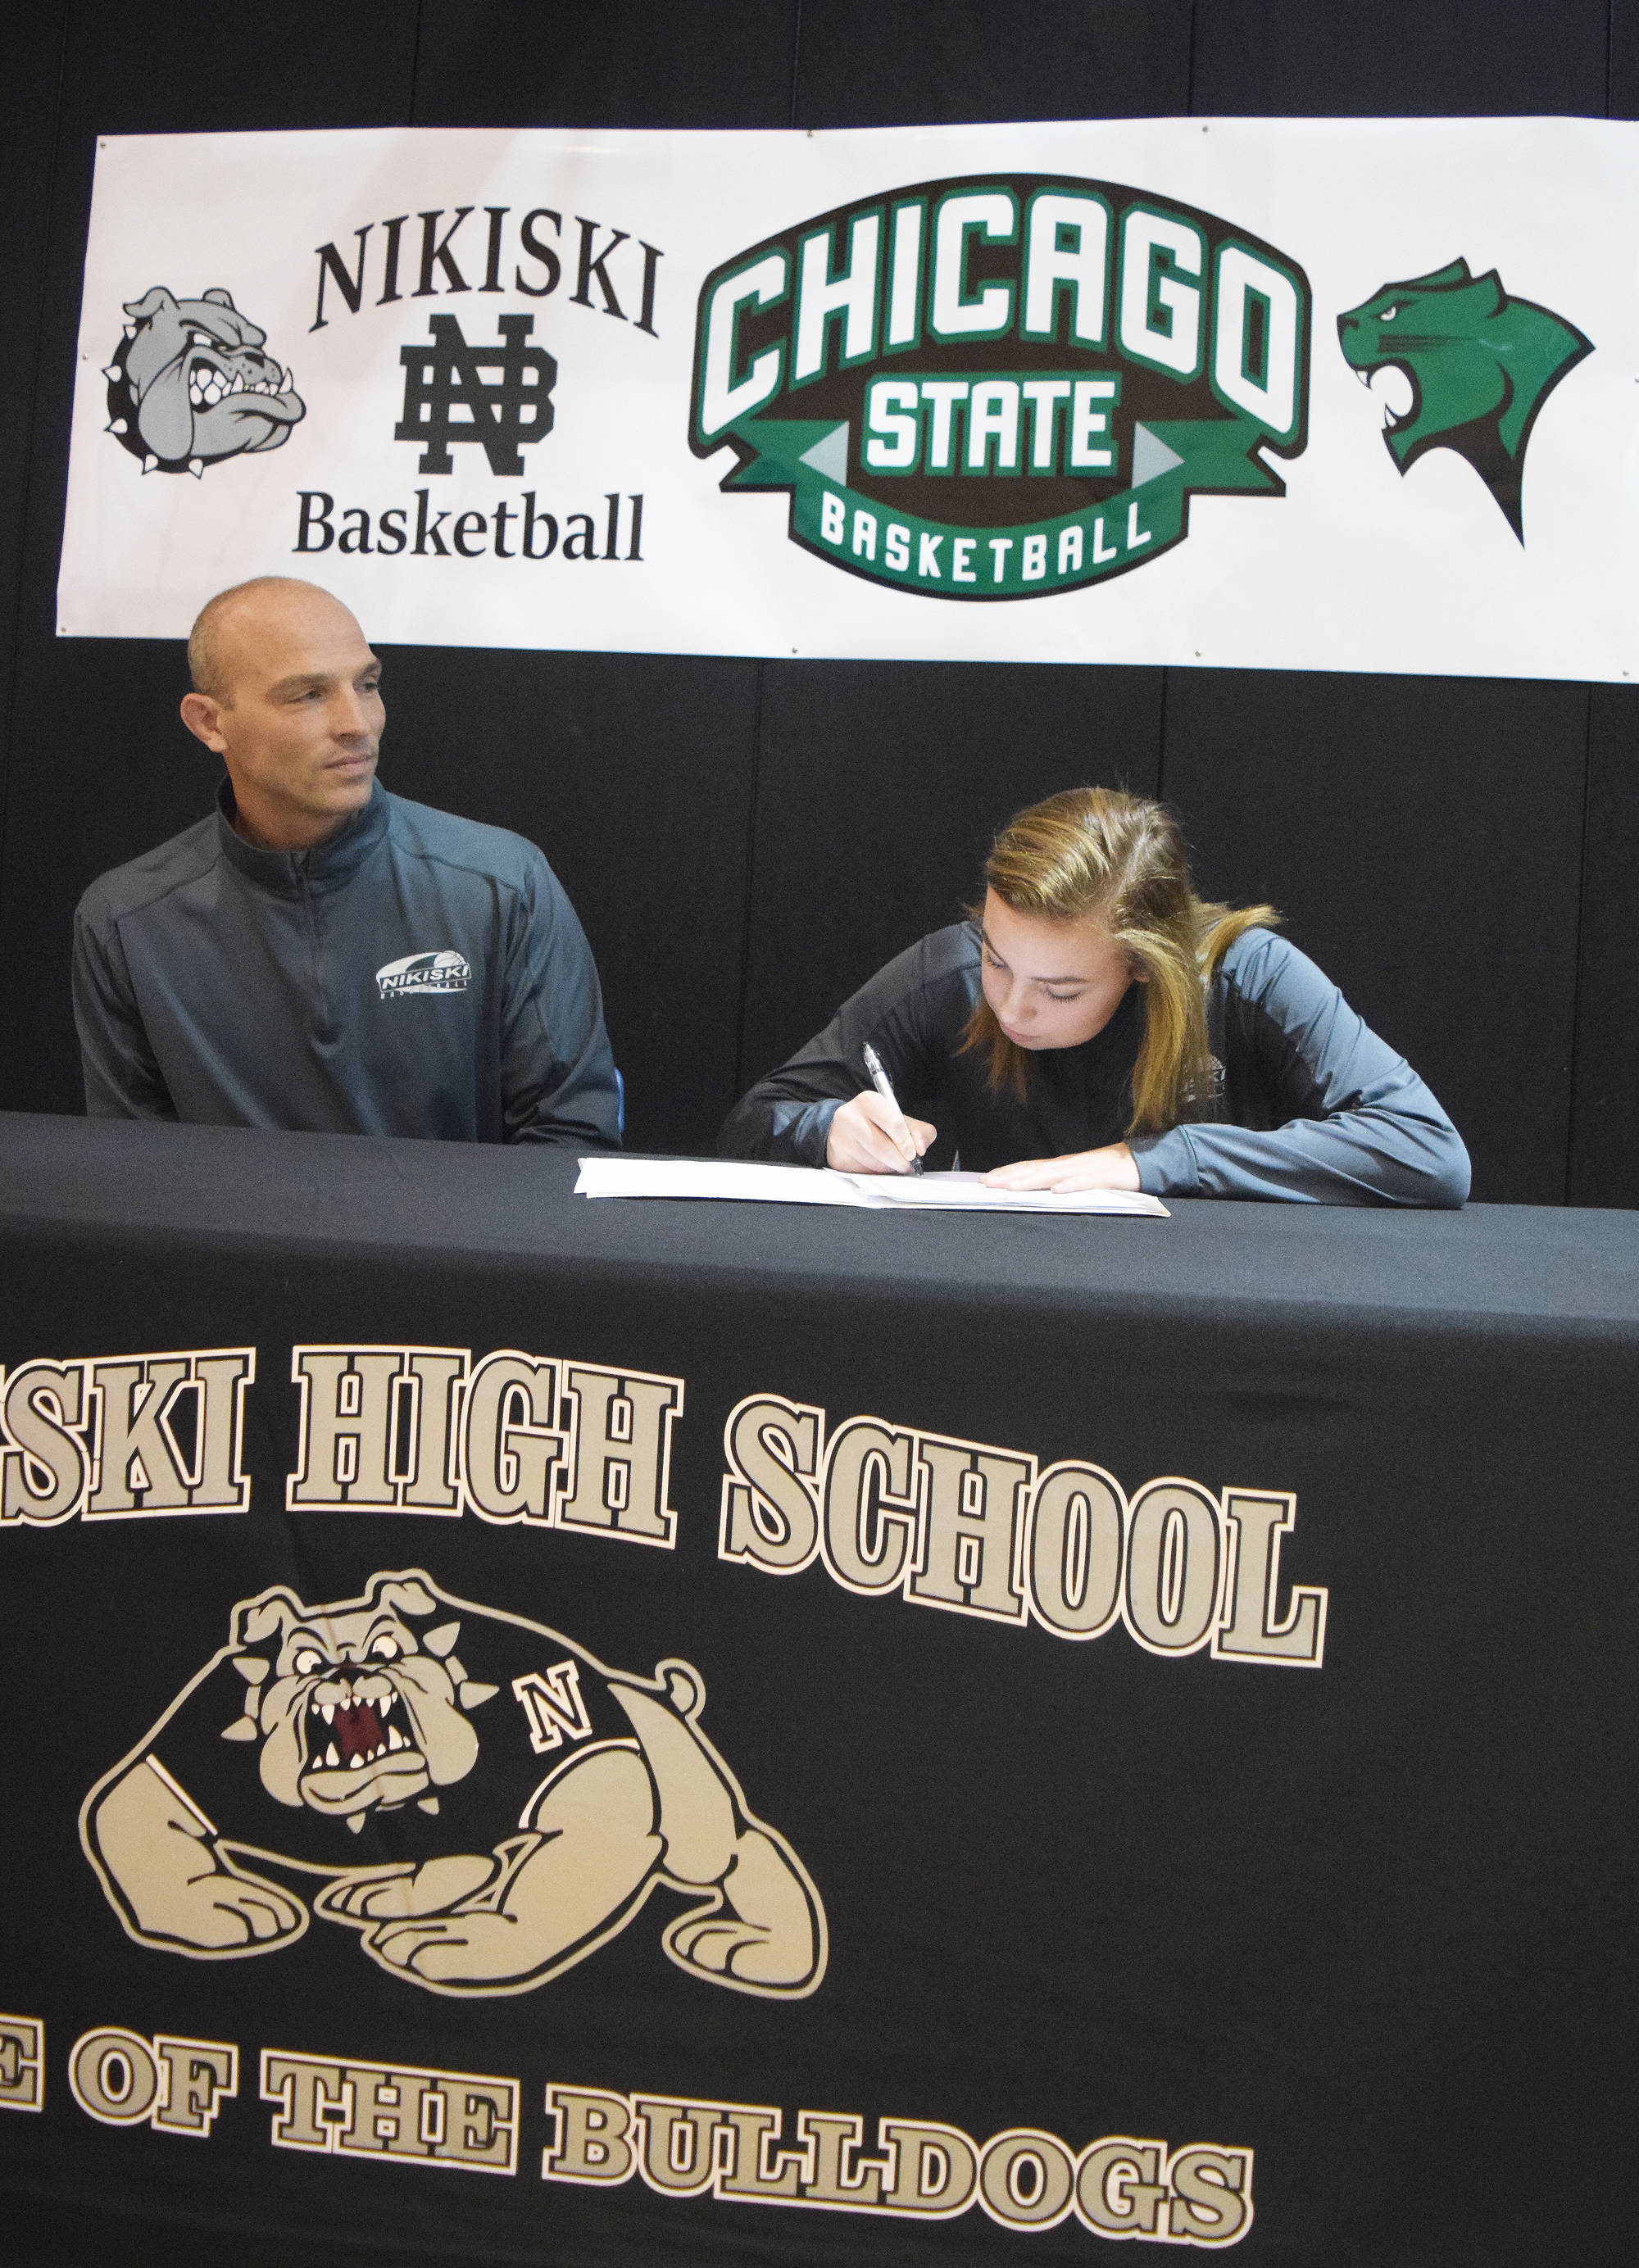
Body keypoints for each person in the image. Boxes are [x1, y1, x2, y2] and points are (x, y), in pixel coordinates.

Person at [719, 787, 1469, 1206]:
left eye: (1062, 989)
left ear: (1146, 965)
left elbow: (1427, 1150)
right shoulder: (946, 973)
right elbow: (750, 1124)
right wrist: (825, 1131)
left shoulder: (1245, 976)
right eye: (998, 960)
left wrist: (1157, 1161)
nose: (1012, 1010)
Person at [73, 577, 621, 1148]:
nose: (356, 723)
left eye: (367, 684)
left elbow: (571, 1140)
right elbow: (132, 1173)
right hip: (233, 1242)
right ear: (210, 722)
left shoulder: (503, 885)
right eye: (308, 694)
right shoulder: (124, 923)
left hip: (461, 1240)